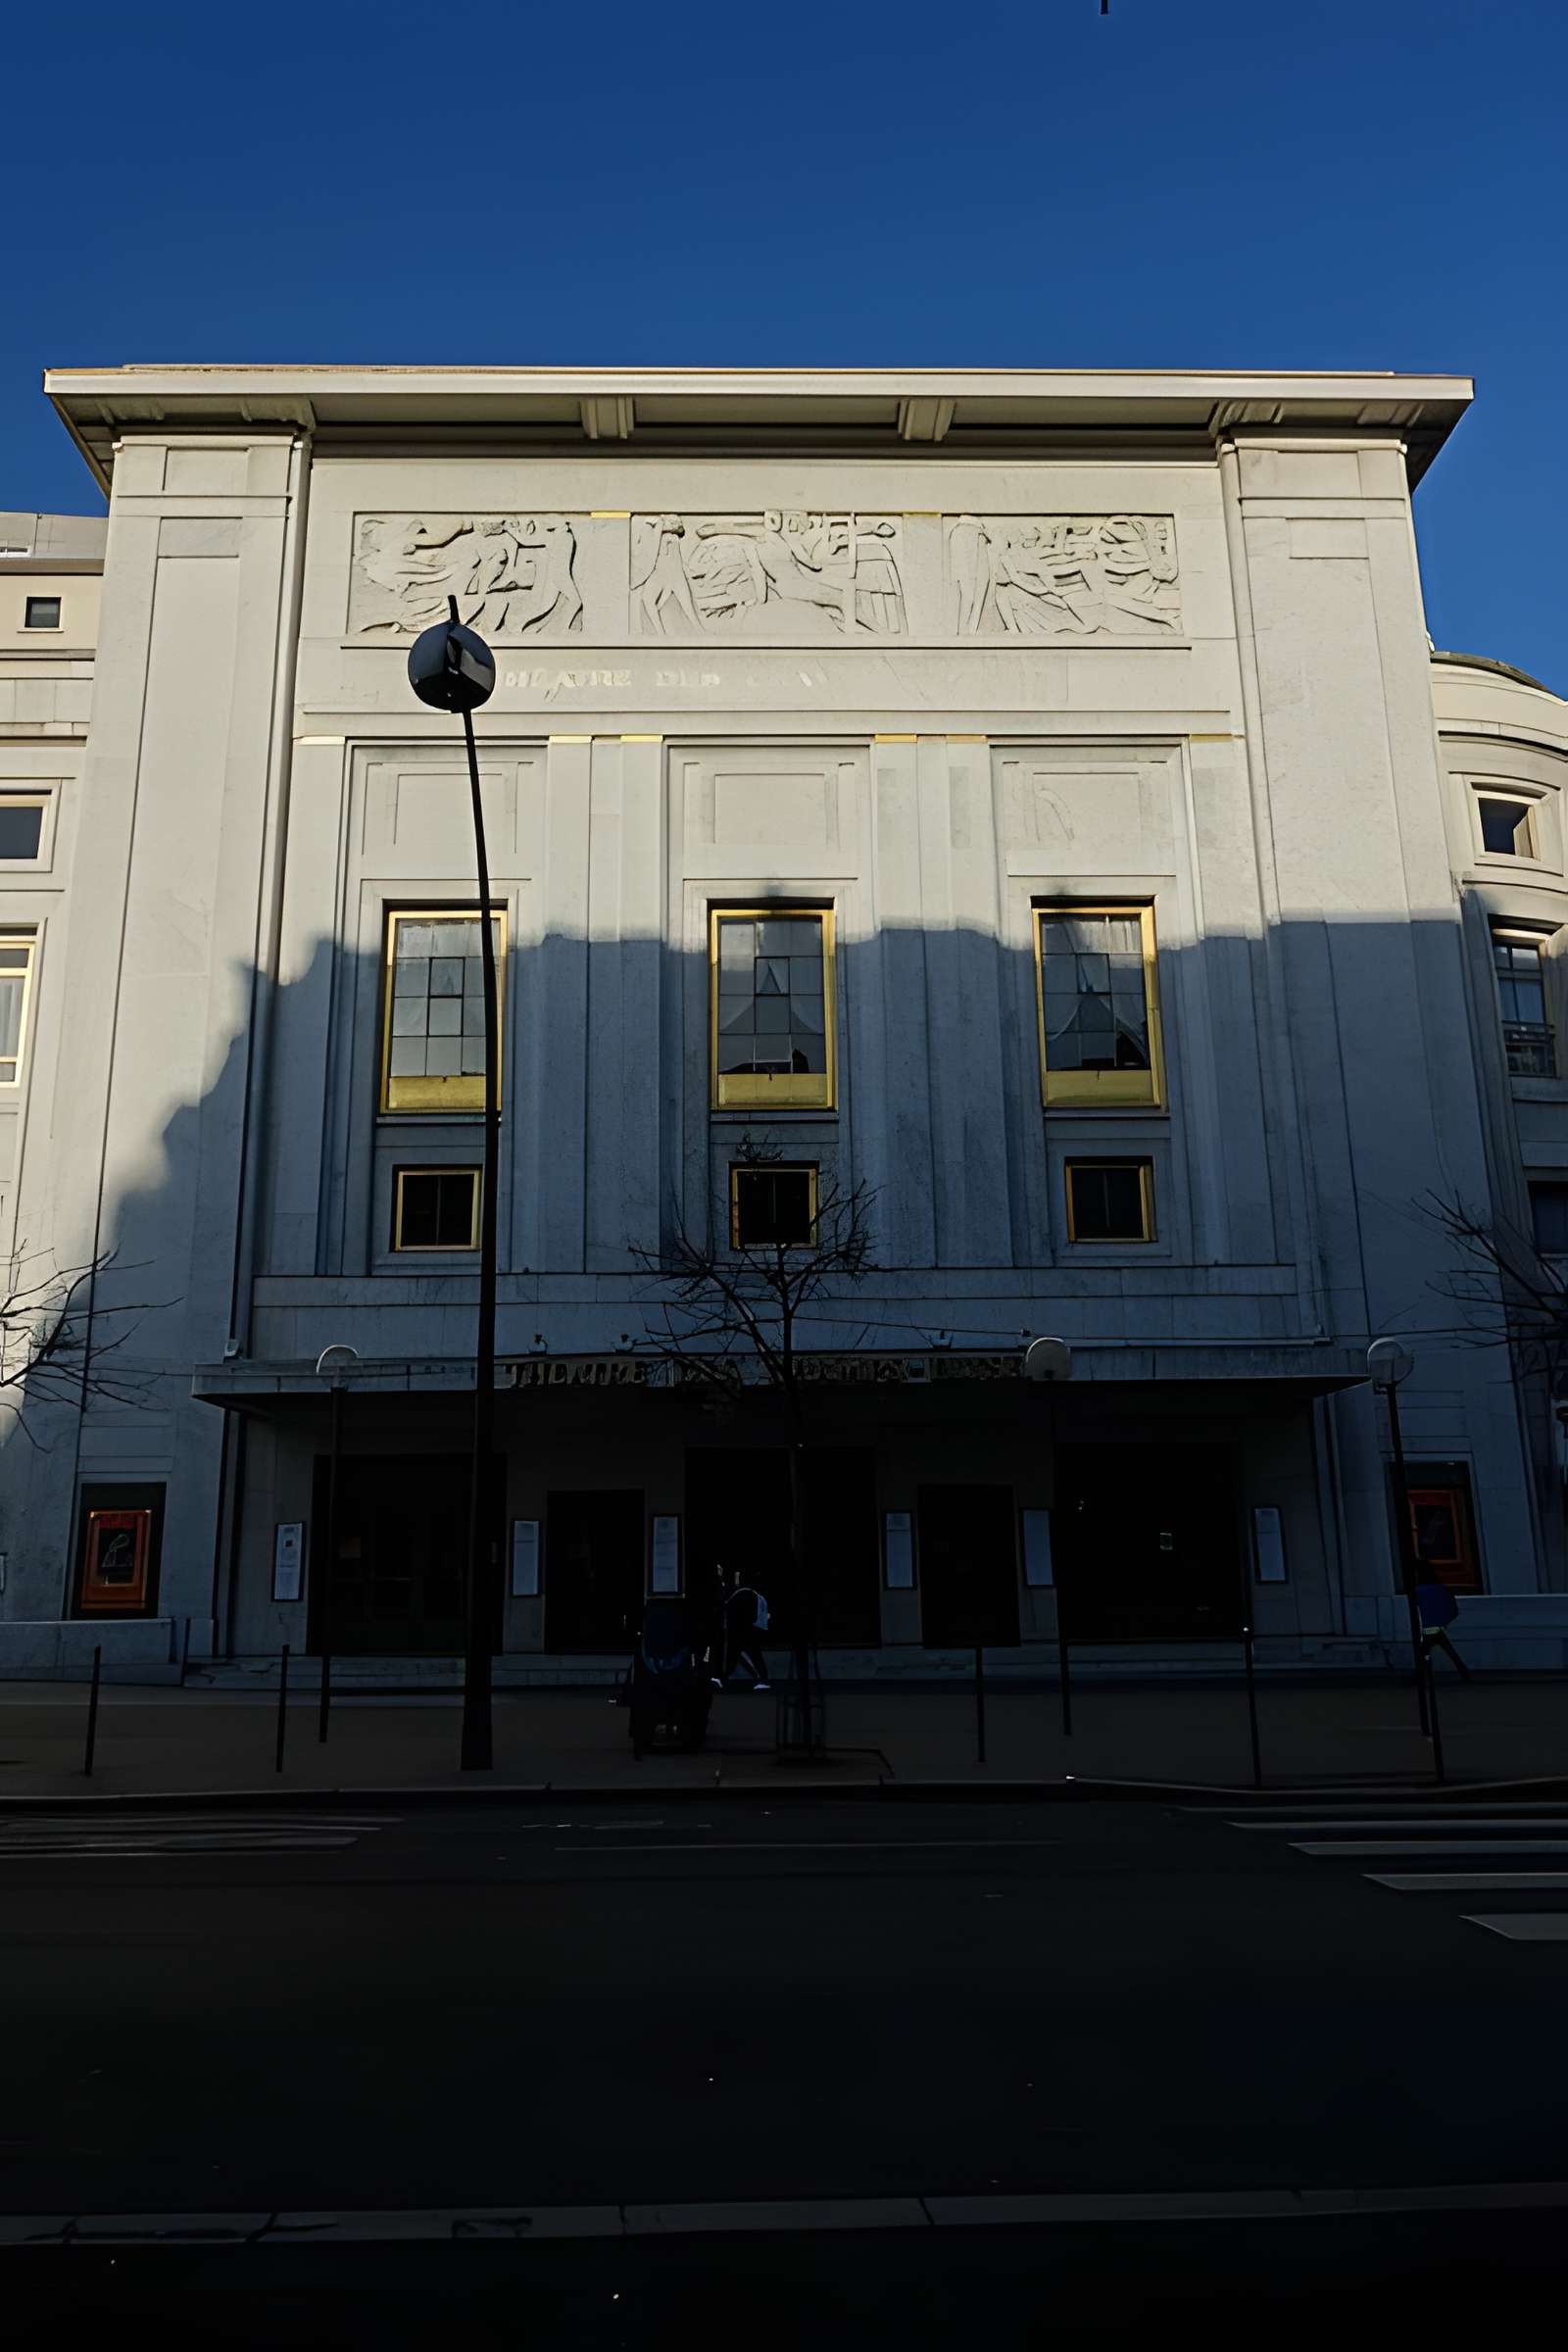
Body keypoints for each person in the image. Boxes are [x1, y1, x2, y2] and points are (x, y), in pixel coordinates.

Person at [711, 1566, 770, 1691]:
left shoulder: (735, 1590)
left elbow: (724, 1595)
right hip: (746, 1602)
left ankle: (721, 1677)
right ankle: (721, 1677)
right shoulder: (746, 1588)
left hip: (740, 1604)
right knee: (739, 1647)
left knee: (739, 1646)